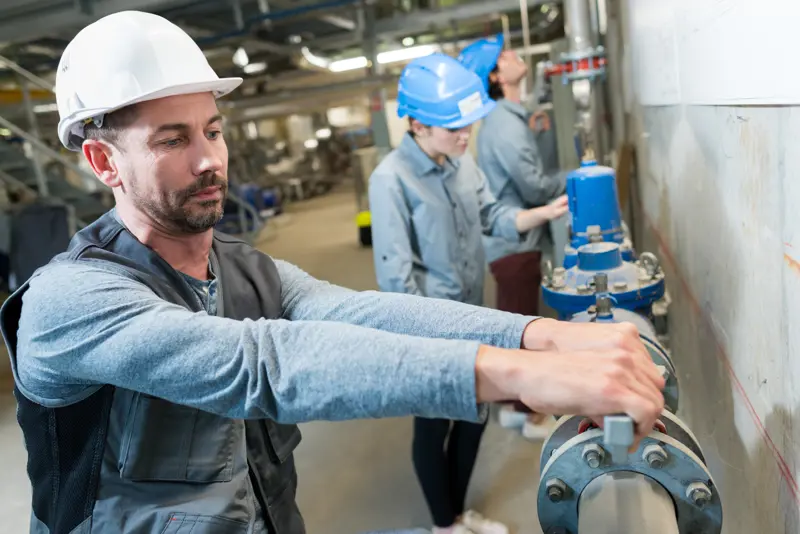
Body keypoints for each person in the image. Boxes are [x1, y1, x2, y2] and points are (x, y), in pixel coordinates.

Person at [0, 12, 665, 534]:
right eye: (173, 139)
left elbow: (361, 311)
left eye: (213, 129)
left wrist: (538, 337)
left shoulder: (242, 268)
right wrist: (522, 376)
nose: (209, 159)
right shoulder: (71, 300)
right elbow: (260, 364)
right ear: (102, 160)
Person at [368, 54, 568, 534]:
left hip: (471, 317)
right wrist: (420, 343)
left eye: (468, 126)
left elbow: (494, 217)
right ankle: (446, 524)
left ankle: (457, 515)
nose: (465, 136)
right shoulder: (390, 180)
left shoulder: (462, 165)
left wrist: (544, 212)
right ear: (416, 123)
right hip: (426, 330)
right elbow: (396, 278)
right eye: (453, 128)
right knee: (434, 424)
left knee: (476, 416)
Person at [459, 36, 567, 439]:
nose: (514, 55)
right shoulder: (504, 124)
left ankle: (515, 409)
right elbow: (536, 186)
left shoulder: (510, 117)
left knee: (517, 322)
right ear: (495, 76)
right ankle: (520, 412)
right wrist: (574, 177)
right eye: (503, 56)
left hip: (517, 241)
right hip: (514, 244)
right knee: (520, 329)